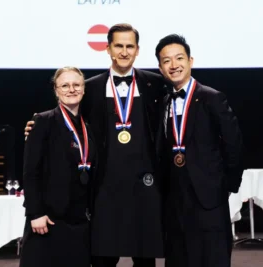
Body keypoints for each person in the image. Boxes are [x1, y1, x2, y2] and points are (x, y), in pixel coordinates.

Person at [25, 23, 166, 267]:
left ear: (137, 50)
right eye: (118, 46)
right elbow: (69, 122)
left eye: (129, 46)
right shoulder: (89, 88)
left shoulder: (155, 84)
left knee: (145, 262)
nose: (124, 51)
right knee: (102, 260)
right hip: (103, 192)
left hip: (144, 190)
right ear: (108, 49)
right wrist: (35, 126)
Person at [155, 34, 244, 267]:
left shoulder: (212, 98)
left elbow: (233, 144)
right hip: (174, 197)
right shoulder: (163, 102)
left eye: (179, 58)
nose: (174, 65)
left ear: (191, 61)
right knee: (178, 258)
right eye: (167, 61)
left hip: (208, 197)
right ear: (160, 67)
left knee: (212, 259)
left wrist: (225, 185)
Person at [19, 67, 95, 267]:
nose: (71, 89)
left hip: (79, 219)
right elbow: (30, 171)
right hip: (48, 219)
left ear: (84, 89)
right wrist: (35, 213)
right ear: (56, 90)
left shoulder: (89, 125)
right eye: (65, 85)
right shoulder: (43, 121)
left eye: (76, 84)